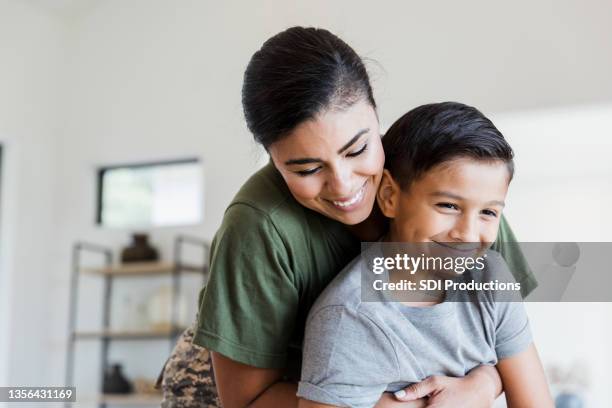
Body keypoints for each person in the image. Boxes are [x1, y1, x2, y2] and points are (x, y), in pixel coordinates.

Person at [159, 27, 537, 408]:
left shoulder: (449, 194)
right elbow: (246, 399)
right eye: (307, 169)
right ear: (273, 160)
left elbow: (503, 337)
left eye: (358, 149)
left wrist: (483, 384)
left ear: (376, 117)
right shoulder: (259, 225)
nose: (343, 186)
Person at [297, 102, 553, 408]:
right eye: (448, 206)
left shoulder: (491, 278)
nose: (468, 234)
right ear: (390, 196)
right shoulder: (349, 318)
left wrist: (486, 381)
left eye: (488, 212)